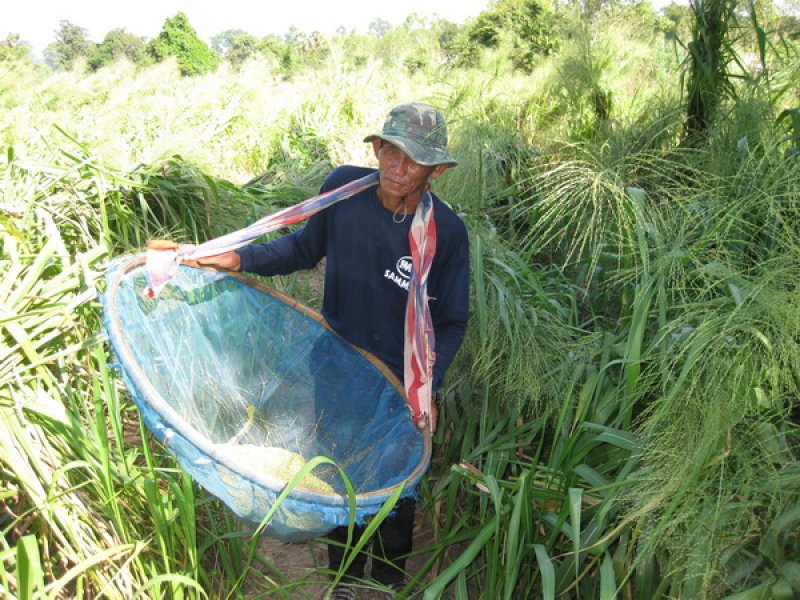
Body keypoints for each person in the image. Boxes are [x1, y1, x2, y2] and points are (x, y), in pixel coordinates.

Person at [198, 102, 470, 598]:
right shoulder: (344, 192)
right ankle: (345, 579)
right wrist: (239, 257)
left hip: (396, 384)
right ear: (376, 148)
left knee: (394, 488)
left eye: (413, 160)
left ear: (437, 170)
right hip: (337, 369)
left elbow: (451, 320)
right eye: (390, 151)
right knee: (341, 473)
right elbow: (301, 249)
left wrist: (426, 388)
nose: (397, 167)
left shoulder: (445, 233)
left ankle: (387, 581)